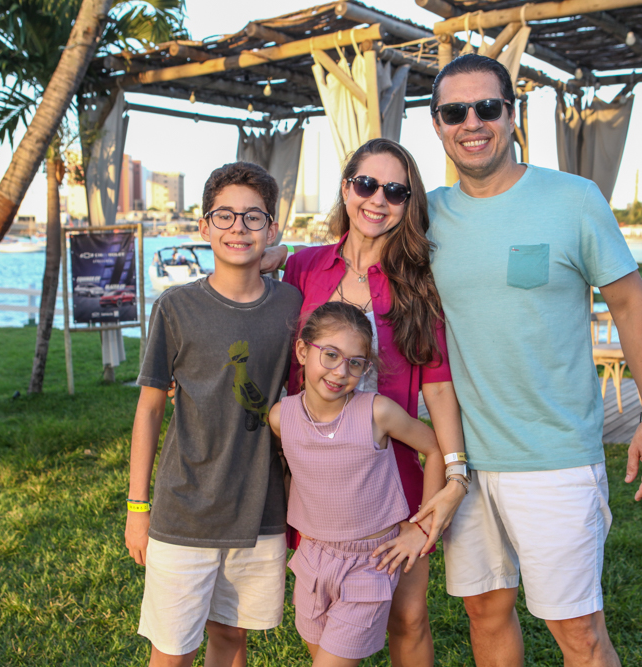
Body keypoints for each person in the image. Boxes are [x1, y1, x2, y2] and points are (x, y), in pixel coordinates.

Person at [426, 54, 642, 666]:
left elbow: (630, 302)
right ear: (437, 125)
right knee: (484, 612)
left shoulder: (572, 198)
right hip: (466, 461)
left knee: (579, 634)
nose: (473, 122)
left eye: (488, 107)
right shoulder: (426, 213)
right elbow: (352, 248)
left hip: (555, 458)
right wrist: (272, 262)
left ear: (512, 114)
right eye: (455, 111)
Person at [278, 138, 469, 667]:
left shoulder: (417, 282)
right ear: (346, 187)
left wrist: (454, 475)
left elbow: (437, 386)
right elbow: (276, 346)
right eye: (366, 184)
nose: (377, 199)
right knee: (327, 613)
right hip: (319, 480)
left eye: (395, 190)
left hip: (396, 478)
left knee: (408, 616)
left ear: (409, 203)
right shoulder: (303, 268)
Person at [125, 162, 303, 667]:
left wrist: (281, 256)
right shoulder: (176, 307)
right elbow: (150, 409)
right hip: (184, 512)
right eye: (224, 216)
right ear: (203, 227)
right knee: (173, 650)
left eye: (253, 218)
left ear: (271, 227)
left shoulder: (290, 302)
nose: (238, 229)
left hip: (260, 512)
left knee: (231, 641)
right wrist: (138, 510)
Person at [268, 301, 449, 667]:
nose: (340, 372)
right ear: (303, 350)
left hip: (371, 564)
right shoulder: (280, 417)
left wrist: (422, 526)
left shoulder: (376, 412)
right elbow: (293, 468)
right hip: (314, 560)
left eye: (355, 362)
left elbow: (434, 447)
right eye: (330, 355)